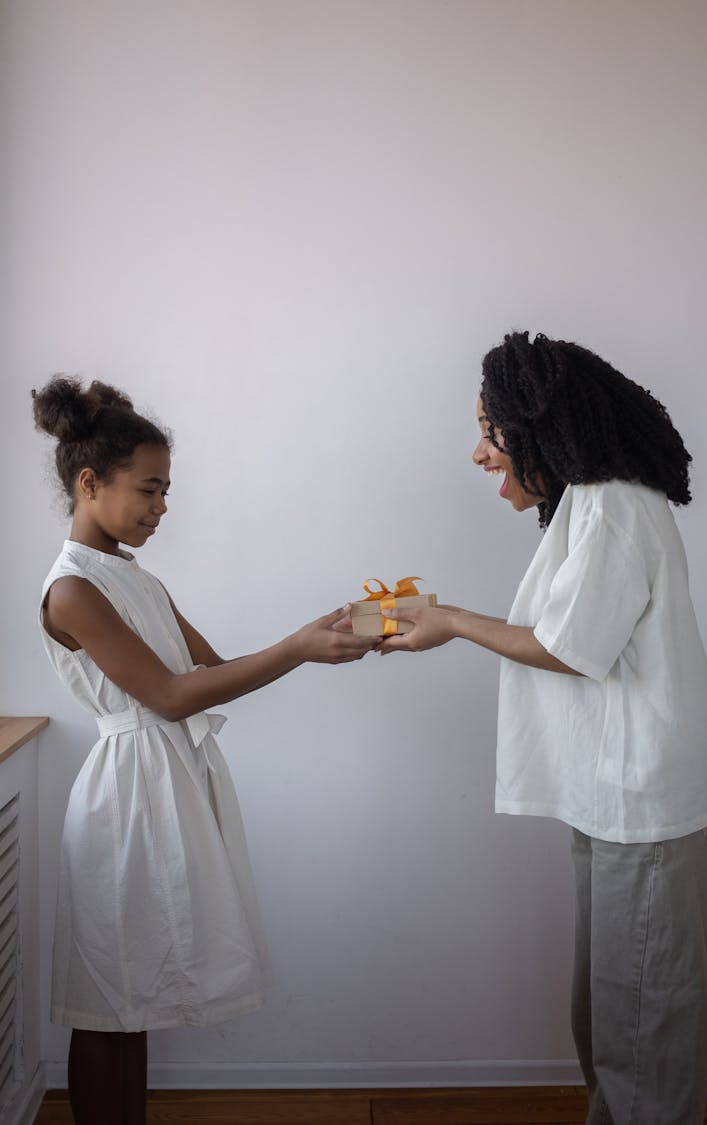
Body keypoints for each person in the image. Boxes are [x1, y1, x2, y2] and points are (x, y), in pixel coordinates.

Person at [379, 331, 707, 1125]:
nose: (480, 452)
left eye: (492, 429)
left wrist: (450, 621)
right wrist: (442, 616)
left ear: (540, 425)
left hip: (656, 814)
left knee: (641, 1052)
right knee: (614, 1031)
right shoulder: (589, 504)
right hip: (624, 807)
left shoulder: (614, 504)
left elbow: (570, 649)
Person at [33, 376, 375, 1125]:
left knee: (138, 996)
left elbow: (208, 671)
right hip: (126, 801)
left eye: (166, 491)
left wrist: (316, 634)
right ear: (90, 483)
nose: (161, 508)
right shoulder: (72, 591)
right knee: (107, 1002)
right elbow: (169, 694)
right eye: (148, 490)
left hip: (165, 788)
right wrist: (296, 649)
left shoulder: (132, 577)